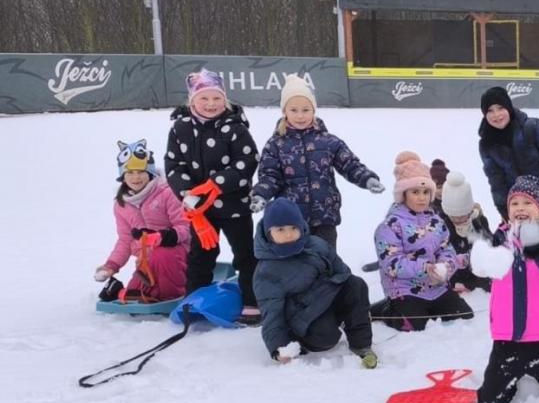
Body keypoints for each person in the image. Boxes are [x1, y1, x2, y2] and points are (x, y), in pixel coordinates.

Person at [164, 68, 261, 322]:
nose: (211, 103)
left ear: (225, 99)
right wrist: (188, 194)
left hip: (234, 205)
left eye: (217, 98)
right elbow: (173, 165)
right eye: (204, 98)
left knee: (245, 254)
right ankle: (193, 300)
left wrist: (217, 184)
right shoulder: (180, 128)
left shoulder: (235, 128)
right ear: (192, 100)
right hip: (200, 209)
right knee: (201, 255)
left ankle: (252, 301)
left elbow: (248, 160)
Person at [474, 176, 539, 403]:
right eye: (515, 203)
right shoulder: (500, 238)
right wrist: (477, 239)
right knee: (490, 399)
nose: (520, 208)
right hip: (507, 336)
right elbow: (483, 267)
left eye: (528, 203)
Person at [250, 74, 383, 249]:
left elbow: (350, 164)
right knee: (296, 260)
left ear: (313, 110)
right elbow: (270, 176)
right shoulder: (275, 144)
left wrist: (367, 179)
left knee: (326, 258)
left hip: (325, 217)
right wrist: (261, 194)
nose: (300, 116)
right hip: (292, 221)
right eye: (294, 110)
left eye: (306, 110)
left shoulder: (328, 141)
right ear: (284, 112)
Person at [252, 198, 377, 368]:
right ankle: (300, 341)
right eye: (280, 229)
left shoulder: (316, 245)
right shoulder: (267, 270)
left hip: (326, 298)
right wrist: (278, 347)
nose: (288, 234)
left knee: (356, 284)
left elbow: (343, 273)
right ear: (268, 232)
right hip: (302, 317)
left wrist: (338, 291)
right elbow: (271, 313)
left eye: (293, 228)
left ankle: (361, 345)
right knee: (326, 339)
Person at [372, 152, 473, 331]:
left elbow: (446, 249)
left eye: (426, 192)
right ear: (403, 194)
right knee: (414, 325)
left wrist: (445, 267)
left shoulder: (436, 221)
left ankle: (429, 309)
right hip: (405, 289)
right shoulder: (390, 225)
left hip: (435, 286)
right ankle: (386, 310)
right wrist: (424, 268)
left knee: (464, 315)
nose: (421, 197)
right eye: (415, 192)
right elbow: (391, 263)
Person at [94, 139, 190, 303]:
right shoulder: (122, 205)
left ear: (150, 172)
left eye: (140, 171)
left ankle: (173, 296)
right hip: (145, 261)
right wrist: (111, 265)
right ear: (123, 176)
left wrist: (164, 237)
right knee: (134, 294)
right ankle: (122, 290)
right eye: (130, 173)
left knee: (162, 255)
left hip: (178, 254)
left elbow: (185, 227)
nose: (136, 177)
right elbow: (125, 240)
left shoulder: (167, 193)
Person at [478, 87, 539, 223]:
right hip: (517, 203)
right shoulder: (487, 144)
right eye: (490, 111)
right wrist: (503, 209)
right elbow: (496, 180)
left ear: (508, 107)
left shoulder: (531, 126)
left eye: (500, 108)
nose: (496, 115)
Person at [436, 171, 494, 293]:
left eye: (462, 215)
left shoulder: (478, 221)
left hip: (482, 275)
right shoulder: (442, 227)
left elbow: (491, 243)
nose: (458, 219)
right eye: (454, 216)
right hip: (458, 279)